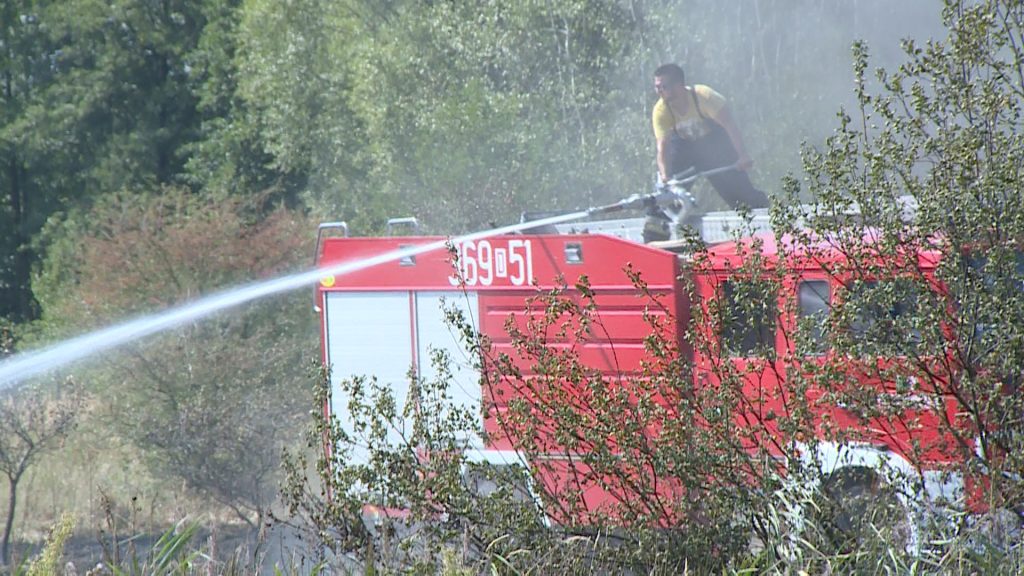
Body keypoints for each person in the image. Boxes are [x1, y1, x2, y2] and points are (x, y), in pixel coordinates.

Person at [651, 63, 768, 217]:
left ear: (679, 85)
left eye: (663, 87)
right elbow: (663, 147)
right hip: (684, 151)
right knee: (669, 199)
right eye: (657, 87)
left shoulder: (705, 97)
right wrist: (665, 176)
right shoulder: (661, 111)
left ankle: (767, 218)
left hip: (714, 148)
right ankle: (661, 232)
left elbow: (729, 125)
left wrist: (742, 156)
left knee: (739, 196)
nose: (659, 92)